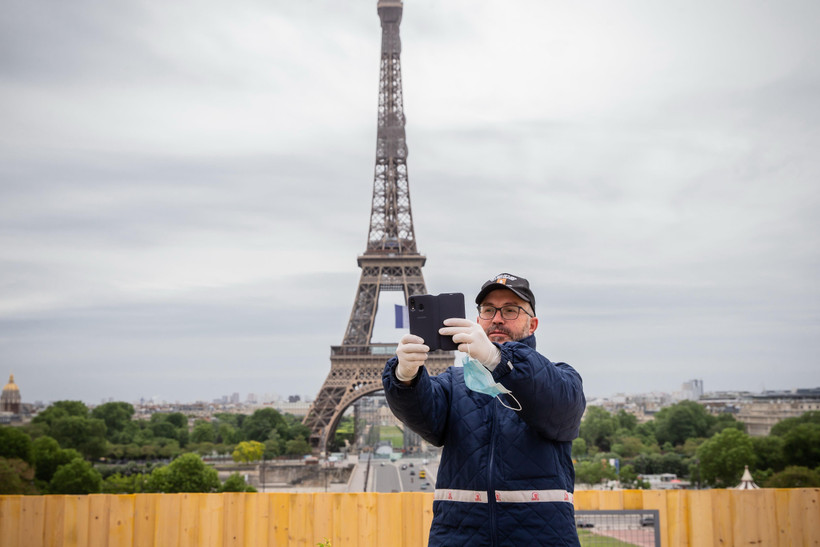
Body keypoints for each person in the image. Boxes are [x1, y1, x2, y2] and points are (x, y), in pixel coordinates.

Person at [382, 273, 586, 546]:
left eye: (511, 310)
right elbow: (424, 418)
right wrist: (404, 377)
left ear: (533, 324)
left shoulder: (562, 378)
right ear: (478, 321)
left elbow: (560, 408)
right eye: (488, 310)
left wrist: (499, 360)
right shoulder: (453, 383)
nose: (497, 318)